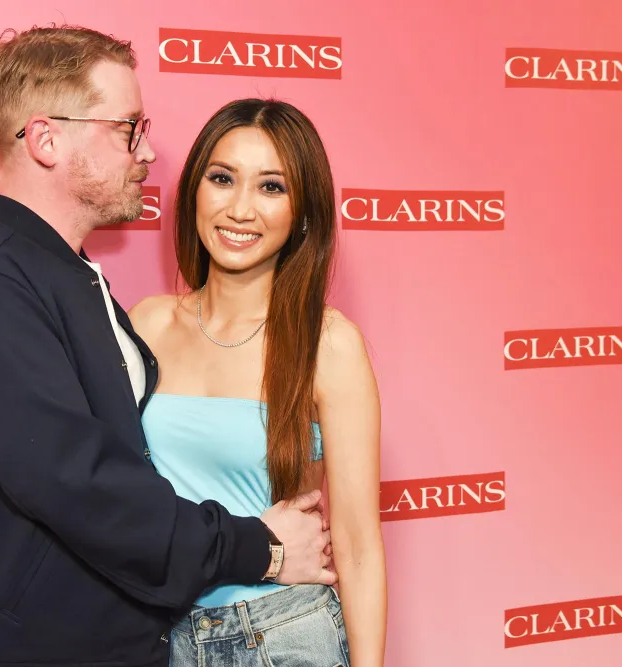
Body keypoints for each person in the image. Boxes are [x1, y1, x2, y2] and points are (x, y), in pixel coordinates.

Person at [0, 26, 335, 667]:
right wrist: (259, 548)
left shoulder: (71, 277)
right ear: (46, 139)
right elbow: (84, 486)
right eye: (127, 127)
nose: (150, 151)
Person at [128, 98, 387, 667]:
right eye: (223, 178)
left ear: (303, 213)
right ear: (194, 188)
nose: (240, 209)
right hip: (158, 636)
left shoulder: (328, 344)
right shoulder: (145, 323)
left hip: (284, 635)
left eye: (272, 187)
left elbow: (359, 547)